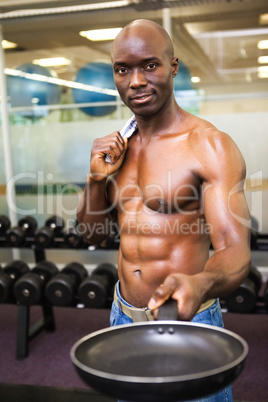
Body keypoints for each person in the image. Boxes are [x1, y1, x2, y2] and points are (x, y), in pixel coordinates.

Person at [77, 19, 251, 401]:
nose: (135, 81)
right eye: (123, 69)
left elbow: (235, 250)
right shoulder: (115, 148)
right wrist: (93, 181)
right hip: (122, 317)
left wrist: (199, 281)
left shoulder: (209, 145)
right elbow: (93, 236)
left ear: (174, 66)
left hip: (188, 321)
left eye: (149, 65)